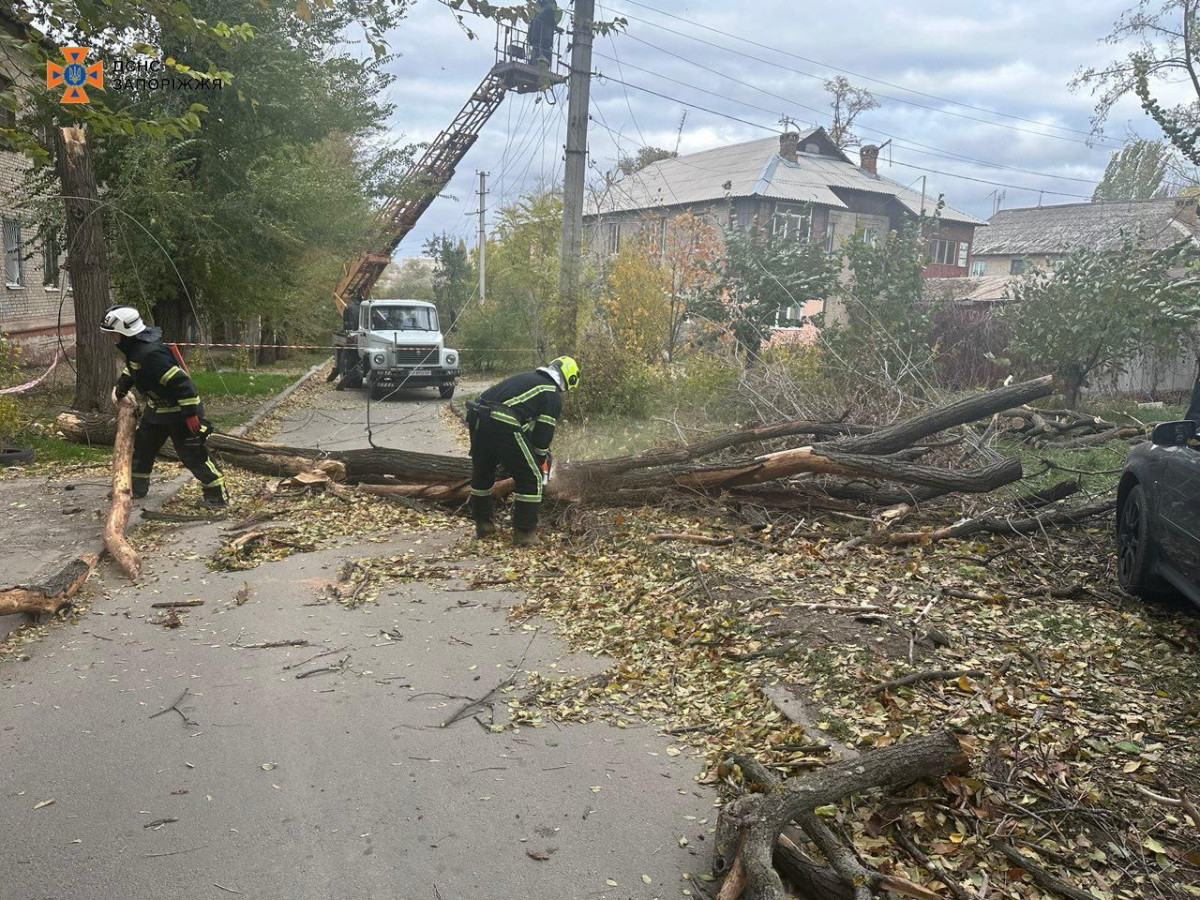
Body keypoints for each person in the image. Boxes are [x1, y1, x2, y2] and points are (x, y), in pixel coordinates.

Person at [102, 306, 228, 508]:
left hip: (181, 413)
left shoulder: (151, 354)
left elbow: (182, 383)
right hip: (157, 412)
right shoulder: (136, 350)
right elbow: (132, 369)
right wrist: (121, 387)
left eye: (113, 334)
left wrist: (191, 414)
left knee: (192, 454)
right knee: (143, 449)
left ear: (125, 332)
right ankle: (136, 487)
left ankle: (216, 495)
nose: (112, 338)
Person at [466, 356, 579, 547]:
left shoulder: (529, 379)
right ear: (570, 379)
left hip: (477, 416)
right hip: (501, 420)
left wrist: (528, 449)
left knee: (483, 471)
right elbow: (543, 434)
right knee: (531, 476)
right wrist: (540, 458)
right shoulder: (551, 392)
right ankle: (525, 533)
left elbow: (521, 421)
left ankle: (483, 524)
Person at [527, 0, 559, 67]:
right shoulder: (550, 6)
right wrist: (555, 26)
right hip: (544, 34)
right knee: (544, 53)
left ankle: (534, 64)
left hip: (535, 34)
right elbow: (547, 18)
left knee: (536, 50)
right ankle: (541, 66)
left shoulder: (537, 9)